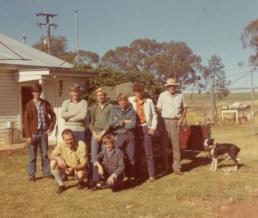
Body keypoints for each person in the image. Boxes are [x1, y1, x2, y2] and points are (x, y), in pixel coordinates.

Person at [24, 83, 56, 182]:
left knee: (45, 154)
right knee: (32, 156)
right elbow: (26, 121)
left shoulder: (45, 103)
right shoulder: (29, 105)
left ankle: (46, 173)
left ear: (40, 92)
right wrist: (28, 136)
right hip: (33, 133)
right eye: (35, 92)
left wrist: (50, 128)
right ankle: (31, 176)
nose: (37, 93)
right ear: (32, 93)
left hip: (44, 133)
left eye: (38, 91)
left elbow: (53, 116)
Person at [156, 78, 187, 175]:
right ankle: (165, 168)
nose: (172, 87)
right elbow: (158, 109)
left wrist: (181, 119)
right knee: (164, 147)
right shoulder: (162, 95)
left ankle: (177, 168)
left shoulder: (180, 95)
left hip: (175, 122)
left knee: (176, 147)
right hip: (164, 122)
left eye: (174, 85)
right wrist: (160, 122)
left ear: (176, 86)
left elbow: (185, 108)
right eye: (170, 86)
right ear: (167, 87)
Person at [129, 82, 158, 181]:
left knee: (149, 153)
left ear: (143, 91)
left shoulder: (149, 101)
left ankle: (151, 175)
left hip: (146, 127)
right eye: (137, 91)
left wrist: (152, 128)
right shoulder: (130, 101)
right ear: (134, 92)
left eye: (141, 91)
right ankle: (138, 175)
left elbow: (154, 116)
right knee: (136, 153)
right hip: (135, 128)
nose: (139, 93)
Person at [50, 129, 88, 193]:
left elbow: (84, 164)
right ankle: (61, 185)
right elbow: (51, 155)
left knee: (80, 175)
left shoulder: (81, 145)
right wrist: (58, 158)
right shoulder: (61, 144)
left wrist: (73, 168)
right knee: (53, 163)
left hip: (78, 168)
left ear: (74, 137)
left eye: (70, 139)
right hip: (66, 167)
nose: (69, 141)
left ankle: (81, 182)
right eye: (66, 140)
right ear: (63, 140)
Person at [89, 88, 114, 185]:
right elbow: (91, 123)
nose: (100, 97)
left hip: (105, 133)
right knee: (94, 156)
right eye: (98, 95)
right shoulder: (93, 107)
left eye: (102, 95)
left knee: (106, 155)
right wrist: (95, 134)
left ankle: (107, 179)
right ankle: (96, 180)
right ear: (96, 96)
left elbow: (110, 122)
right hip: (95, 134)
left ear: (105, 95)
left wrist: (102, 134)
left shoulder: (110, 106)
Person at [110, 93, 136, 182]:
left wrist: (119, 121)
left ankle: (131, 176)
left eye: (123, 100)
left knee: (131, 156)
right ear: (118, 101)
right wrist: (124, 121)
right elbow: (112, 123)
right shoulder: (115, 110)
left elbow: (133, 124)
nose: (122, 102)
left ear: (126, 101)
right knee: (118, 155)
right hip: (119, 134)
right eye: (120, 100)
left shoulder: (132, 110)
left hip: (129, 134)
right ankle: (119, 176)